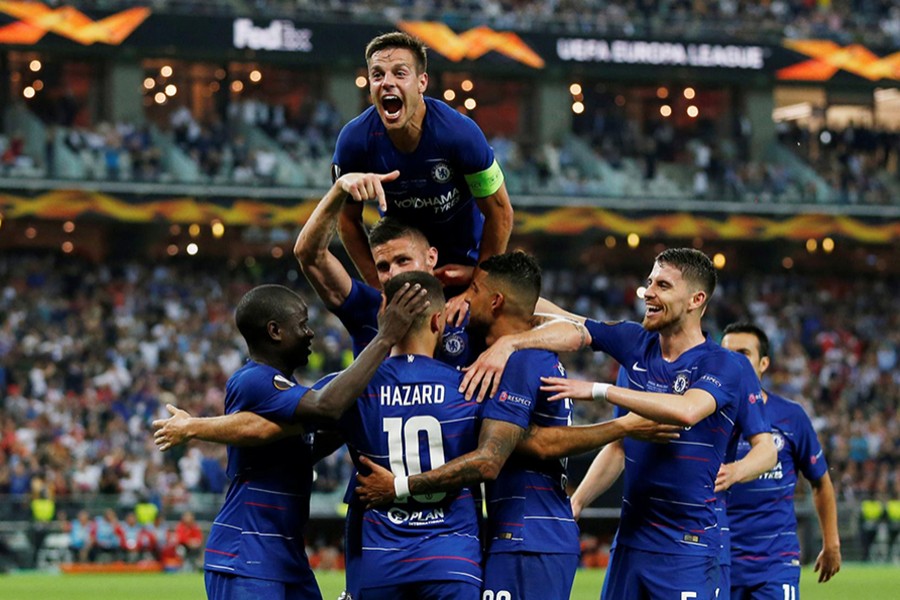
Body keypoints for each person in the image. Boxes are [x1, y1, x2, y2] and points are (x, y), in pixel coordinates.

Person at [355, 252, 682, 600]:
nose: (466, 299)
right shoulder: (528, 348)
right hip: (528, 533)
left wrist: (622, 426)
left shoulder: (521, 360)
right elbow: (555, 321)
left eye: (475, 290)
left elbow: (533, 443)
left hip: (527, 535)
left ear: (496, 301)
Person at [465, 248, 774, 600]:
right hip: (630, 543)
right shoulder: (635, 344)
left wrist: (602, 391)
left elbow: (688, 410)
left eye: (663, 285)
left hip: (689, 546)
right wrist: (508, 334)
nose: (648, 293)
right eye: (649, 282)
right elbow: (568, 323)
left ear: (696, 299)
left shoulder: (724, 365)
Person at [154, 282, 427, 600]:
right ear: (275, 331)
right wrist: (385, 338)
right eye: (302, 324)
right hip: (246, 553)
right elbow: (328, 406)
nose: (310, 333)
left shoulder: (287, 391)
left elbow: (307, 436)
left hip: (285, 557)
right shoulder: (254, 379)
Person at [333, 31, 514, 322]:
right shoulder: (354, 142)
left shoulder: (461, 135)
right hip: (404, 276)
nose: (387, 82)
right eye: (377, 75)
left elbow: (501, 213)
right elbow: (346, 219)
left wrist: (478, 288)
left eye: (399, 73)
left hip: (464, 270)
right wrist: (378, 285)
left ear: (422, 83)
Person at [721, 322, 841, 598]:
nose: (734, 362)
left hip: (775, 563)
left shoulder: (791, 417)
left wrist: (831, 542)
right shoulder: (705, 416)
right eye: (727, 354)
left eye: (743, 353)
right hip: (718, 561)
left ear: (764, 363)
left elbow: (821, 482)